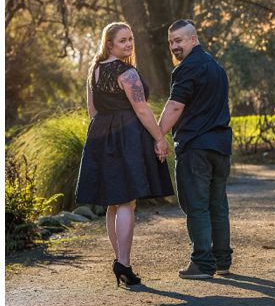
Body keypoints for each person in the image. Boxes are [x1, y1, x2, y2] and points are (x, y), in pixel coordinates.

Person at [76, 22, 174, 288]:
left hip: (100, 135)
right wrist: (159, 137)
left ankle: (120, 259)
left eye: (131, 39)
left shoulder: (93, 71)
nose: (129, 44)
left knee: (113, 202)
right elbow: (142, 110)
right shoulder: (127, 73)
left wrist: (104, 135)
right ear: (110, 44)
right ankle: (124, 263)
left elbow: (92, 112)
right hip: (126, 136)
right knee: (127, 202)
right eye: (122, 41)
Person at [156, 20, 234, 279]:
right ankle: (222, 259)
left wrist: (157, 136)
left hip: (196, 148)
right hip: (220, 148)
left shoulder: (187, 68)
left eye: (179, 40)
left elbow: (175, 106)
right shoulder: (216, 67)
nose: (174, 46)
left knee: (197, 205)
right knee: (217, 205)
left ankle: (202, 263)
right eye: (171, 42)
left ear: (193, 39)